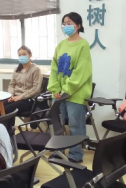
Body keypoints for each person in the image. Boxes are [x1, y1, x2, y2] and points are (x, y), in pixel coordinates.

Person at [48, 12, 92, 163]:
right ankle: (58, 152)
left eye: (70, 23)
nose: (66, 26)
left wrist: (65, 90)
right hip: (58, 94)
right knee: (58, 124)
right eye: (64, 23)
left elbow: (82, 71)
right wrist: (55, 88)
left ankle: (75, 155)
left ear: (78, 26)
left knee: (75, 125)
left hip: (75, 94)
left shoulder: (83, 45)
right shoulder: (61, 45)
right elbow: (54, 68)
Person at [6, 45, 43, 120]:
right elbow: (12, 85)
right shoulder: (17, 69)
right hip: (15, 97)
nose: (22, 56)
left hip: (28, 99)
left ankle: (8, 127)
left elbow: (36, 89)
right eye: (20, 55)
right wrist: (11, 96)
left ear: (30, 55)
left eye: (24, 54)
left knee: (7, 110)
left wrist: (20, 97)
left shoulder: (36, 69)